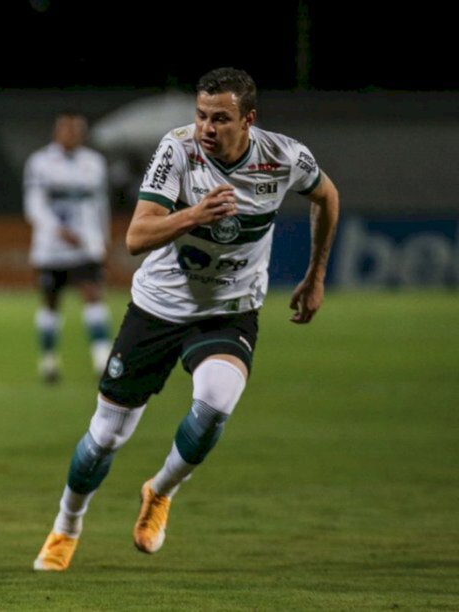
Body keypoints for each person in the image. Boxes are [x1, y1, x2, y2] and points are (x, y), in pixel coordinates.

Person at [33, 67, 340, 570]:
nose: (207, 128)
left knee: (216, 403)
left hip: (228, 312)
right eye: (201, 116)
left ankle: (160, 491)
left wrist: (316, 275)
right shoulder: (176, 150)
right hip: (158, 308)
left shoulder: (284, 156)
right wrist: (193, 215)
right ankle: (67, 522)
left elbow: (327, 196)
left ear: (249, 120)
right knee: (106, 437)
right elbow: (135, 237)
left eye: (220, 118)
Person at [23, 111, 113, 383]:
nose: (71, 134)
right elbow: (34, 205)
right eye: (66, 129)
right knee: (51, 303)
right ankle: (49, 361)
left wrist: (103, 239)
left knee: (93, 294)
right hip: (51, 248)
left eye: (76, 130)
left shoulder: (94, 163)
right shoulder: (40, 163)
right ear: (56, 132)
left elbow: (100, 205)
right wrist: (57, 231)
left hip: (85, 246)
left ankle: (102, 361)